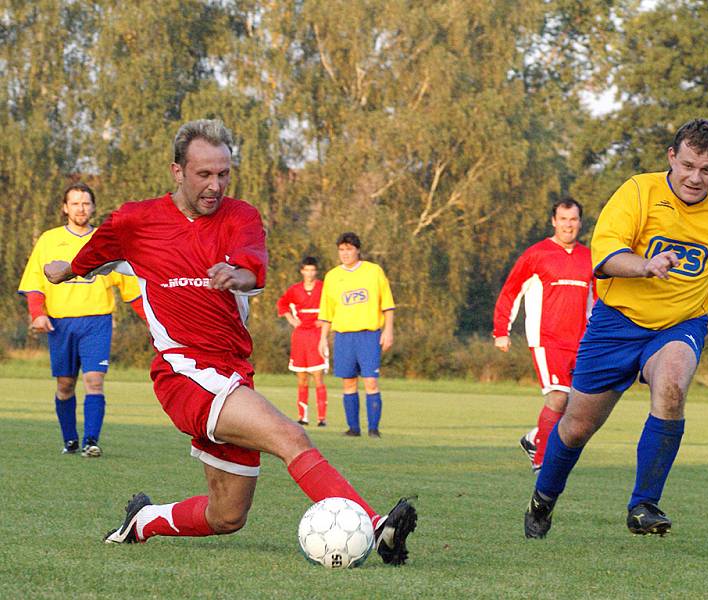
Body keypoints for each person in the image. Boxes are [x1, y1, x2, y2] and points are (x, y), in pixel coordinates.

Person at [43, 119, 416, 564]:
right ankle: (376, 526)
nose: (215, 185)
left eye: (223, 174)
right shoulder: (135, 221)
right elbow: (92, 255)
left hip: (233, 373)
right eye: (204, 174)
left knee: (226, 516)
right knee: (288, 435)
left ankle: (143, 522)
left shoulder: (241, 216)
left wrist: (236, 275)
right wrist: (65, 270)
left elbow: (251, 265)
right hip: (183, 372)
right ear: (177, 171)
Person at [524, 118, 708, 539]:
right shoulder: (638, 191)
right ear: (671, 157)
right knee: (576, 427)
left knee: (672, 387)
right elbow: (606, 257)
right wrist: (645, 266)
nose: (695, 178)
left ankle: (644, 504)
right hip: (616, 323)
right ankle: (543, 499)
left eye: (707, 170)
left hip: (681, 323)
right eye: (687, 166)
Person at [18, 182, 145, 457]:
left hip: (97, 322)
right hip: (61, 323)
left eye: (86, 203)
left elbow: (131, 290)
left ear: (93, 207)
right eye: (75, 203)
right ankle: (70, 441)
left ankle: (91, 441)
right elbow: (34, 283)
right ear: (65, 208)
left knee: (94, 382)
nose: (81, 208)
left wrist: (154, 323)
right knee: (65, 385)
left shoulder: (106, 240)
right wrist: (38, 314)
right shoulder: (49, 240)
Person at [493, 198, 593, 473]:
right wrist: (502, 330)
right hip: (547, 339)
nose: (568, 225)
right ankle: (541, 460)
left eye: (573, 219)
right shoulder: (537, 254)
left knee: (577, 406)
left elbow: (597, 302)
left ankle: (533, 439)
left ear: (580, 222)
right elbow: (511, 291)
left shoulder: (590, 257)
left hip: (581, 342)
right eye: (563, 219)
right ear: (553, 221)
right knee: (558, 396)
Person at [317, 232, 395, 438]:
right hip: (343, 337)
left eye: (349, 249)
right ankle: (353, 428)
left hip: (368, 335)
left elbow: (387, 304)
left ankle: (373, 429)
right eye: (341, 249)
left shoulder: (373, 271)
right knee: (348, 382)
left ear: (357, 250)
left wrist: (388, 330)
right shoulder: (332, 276)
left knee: (370, 381)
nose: (345, 253)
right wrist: (323, 338)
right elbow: (327, 311)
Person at [276, 256, 328, 426]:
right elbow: (282, 303)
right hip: (299, 337)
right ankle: (303, 417)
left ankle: (322, 419)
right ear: (302, 271)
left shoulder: (324, 288)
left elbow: (334, 308)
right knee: (301, 378)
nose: (309, 273)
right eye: (306, 269)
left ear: (316, 271)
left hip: (316, 335)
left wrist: (327, 322)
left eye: (312, 270)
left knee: (318, 377)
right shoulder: (294, 289)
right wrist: (291, 320)